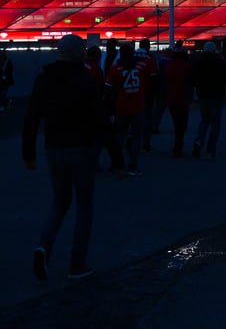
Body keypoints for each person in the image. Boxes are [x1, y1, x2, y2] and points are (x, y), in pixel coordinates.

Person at [23, 34, 105, 281]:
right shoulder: (87, 80)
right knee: (84, 205)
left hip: (53, 148)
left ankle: (43, 247)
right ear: (81, 54)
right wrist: (118, 158)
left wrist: (28, 153)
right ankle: (77, 264)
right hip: (82, 148)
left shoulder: (44, 78)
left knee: (59, 203)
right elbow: (100, 120)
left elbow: (31, 117)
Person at [105, 42, 155, 176]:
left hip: (121, 106)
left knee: (120, 135)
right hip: (138, 105)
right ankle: (133, 166)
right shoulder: (141, 67)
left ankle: (117, 163)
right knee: (136, 136)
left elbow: (109, 89)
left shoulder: (115, 68)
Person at [84, 45, 125, 178]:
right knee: (106, 136)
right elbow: (102, 88)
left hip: (82, 107)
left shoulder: (81, 66)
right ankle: (116, 165)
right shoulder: (96, 70)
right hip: (96, 107)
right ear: (97, 56)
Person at [190, 41, 226, 160]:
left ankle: (198, 141)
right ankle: (210, 150)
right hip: (216, 95)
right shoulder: (219, 62)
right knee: (215, 123)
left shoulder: (198, 62)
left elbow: (193, 79)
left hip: (202, 95)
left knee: (204, 121)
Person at [163, 43, 193, 157]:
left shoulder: (169, 67)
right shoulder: (187, 67)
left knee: (176, 122)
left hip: (172, 98)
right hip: (183, 98)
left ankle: (177, 144)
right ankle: (179, 144)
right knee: (182, 123)